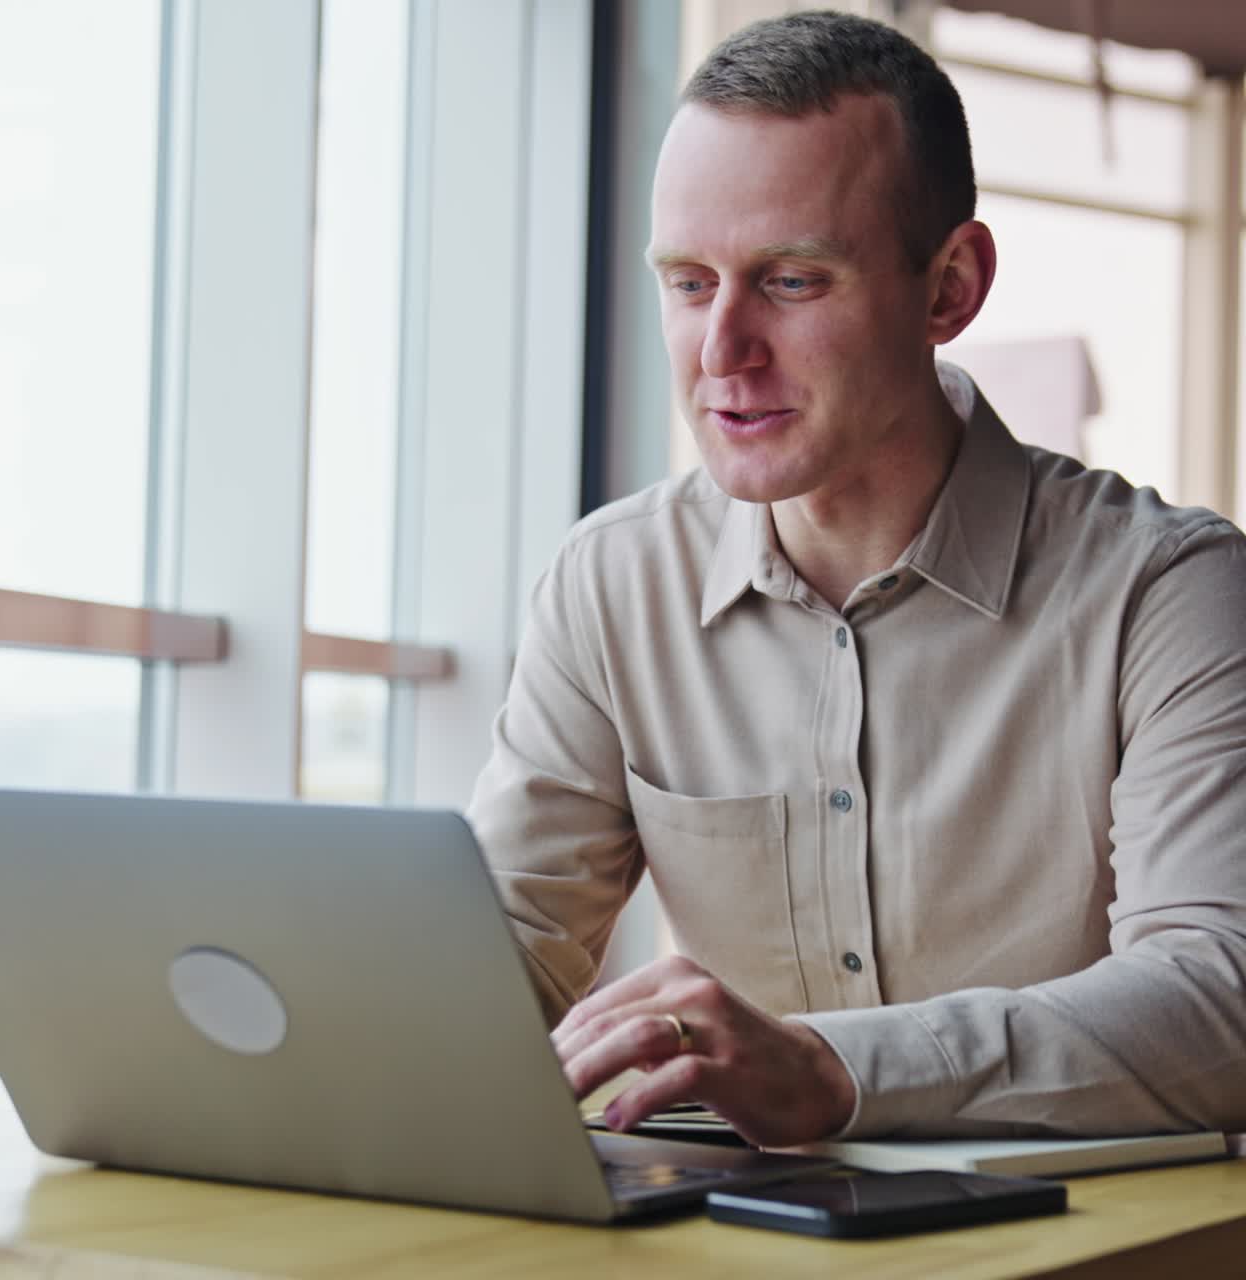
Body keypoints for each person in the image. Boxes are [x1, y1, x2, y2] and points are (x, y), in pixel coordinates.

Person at [467, 9, 1246, 1146]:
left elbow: (1219, 996)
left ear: (948, 288)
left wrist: (831, 1067)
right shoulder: (609, 582)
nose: (720, 350)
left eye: (788, 281)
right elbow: (505, 942)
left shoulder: (1170, 593)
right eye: (687, 283)